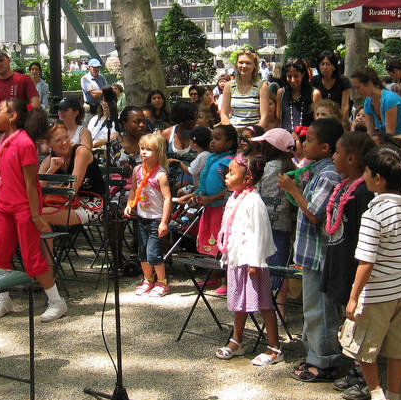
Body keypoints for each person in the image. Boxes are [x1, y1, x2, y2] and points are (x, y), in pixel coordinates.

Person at [339, 146, 401, 400]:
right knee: (397, 346)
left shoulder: (373, 214)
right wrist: (398, 271)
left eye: (366, 172)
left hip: (376, 294)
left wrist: (353, 297)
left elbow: (366, 261)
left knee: (362, 346)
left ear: (378, 178)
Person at [0, 98, 68, 322]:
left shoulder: (24, 143)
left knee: (32, 257)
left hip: (24, 209)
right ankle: (3, 298)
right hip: (4, 208)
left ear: (13, 117)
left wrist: (36, 215)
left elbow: (31, 184)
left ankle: (56, 301)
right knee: (0, 254)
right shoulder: (3, 140)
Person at [278, 117, 344, 383]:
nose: (303, 144)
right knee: (312, 308)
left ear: (326, 147)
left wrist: (293, 189)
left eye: (309, 140)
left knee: (321, 309)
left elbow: (315, 214)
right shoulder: (318, 170)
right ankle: (315, 354)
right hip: (311, 254)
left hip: (320, 255)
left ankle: (325, 361)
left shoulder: (328, 175)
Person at [321, 131, 375, 400]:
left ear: (352, 158)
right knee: (346, 322)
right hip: (339, 262)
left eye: (337, 153)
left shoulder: (365, 192)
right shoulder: (343, 187)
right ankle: (354, 370)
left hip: (354, 266)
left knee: (359, 325)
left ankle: (367, 379)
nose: (333, 156)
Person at [214, 154, 281, 366]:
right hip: (236, 259)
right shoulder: (234, 198)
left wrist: (256, 261)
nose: (226, 176)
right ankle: (237, 340)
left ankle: (274, 347)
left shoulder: (254, 201)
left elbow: (261, 233)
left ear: (247, 180)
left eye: (232, 173)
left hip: (252, 263)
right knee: (238, 304)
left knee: (263, 303)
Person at [250, 128, 297, 319]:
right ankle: (280, 305)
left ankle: (271, 305)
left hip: (268, 222)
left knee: (268, 263)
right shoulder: (290, 166)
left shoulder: (270, 167)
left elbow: (259, 191)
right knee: (281, 262)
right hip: (284, 223)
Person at [180, 125, 237, 268]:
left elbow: (230, 189)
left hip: (221, 208)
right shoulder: (212, 158)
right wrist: (196, 196)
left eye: (217, 139)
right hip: (208, 206)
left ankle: (220, 274)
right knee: (209, 239)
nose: (212, 142)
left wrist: (211, 199)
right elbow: (204, 183)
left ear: (229, 143)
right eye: (211, 139)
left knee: (220, 240)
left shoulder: (228, 162)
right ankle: (210, 272)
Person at [124, 133, 173, 297]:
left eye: (149, 150)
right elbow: (132, 189)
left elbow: (167, 198)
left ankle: (162, 282)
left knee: (154, 252)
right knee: (142, 251)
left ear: (158, 152)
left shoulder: (160, 174)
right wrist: (129, 205)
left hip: (156, 218)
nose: (144, 152)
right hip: (142, 217)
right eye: (142, 148)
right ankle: (148, 279)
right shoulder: (137, 170)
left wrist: (164, 222)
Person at [40, 122, 105, 230]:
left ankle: (47, 247)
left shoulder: (81, 152)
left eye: (66, 137)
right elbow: (37, 191)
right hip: (63, 204)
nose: (64, 142)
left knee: (40, 216)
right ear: (48, 143)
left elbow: (71, 191)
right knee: (29, 214)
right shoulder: (48, 161)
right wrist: (51, 170)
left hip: (91, 204)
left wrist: (54, 189)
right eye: (58, 140)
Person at [220, 47, 270, 128]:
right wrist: (230, 134)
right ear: (236, 64)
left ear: (255, 65)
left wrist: (254, 136)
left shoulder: (262, 86)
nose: (244, 66)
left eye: (248, 63)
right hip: (233, 134)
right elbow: (224, 114)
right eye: (241, 62)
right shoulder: (229, 86)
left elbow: (265, 117)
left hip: (253, 135)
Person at [350, 67, 401, 136]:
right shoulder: (368, 102)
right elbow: (370, 133)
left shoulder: (389, 100)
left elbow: (390, 134)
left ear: (369, 83)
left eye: (358, 87)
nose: (356, 91)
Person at [277, 58, 319, 133]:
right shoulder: (281, 93)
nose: (293, 80)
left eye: (296, 76)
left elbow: (318, 122)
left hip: (307, 140)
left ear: (302, 74)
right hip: (286, 139)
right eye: (289, 76)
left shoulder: (314, 94)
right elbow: (278, 120)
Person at [311, 51, 351, 123]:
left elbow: (345, 107)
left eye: (328, 64)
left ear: (334, 67)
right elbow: (315, 107)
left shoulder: (343, 81)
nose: (325, 67)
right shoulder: (315, 81)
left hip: (339, 120)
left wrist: (341, 125)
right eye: (322, 64)